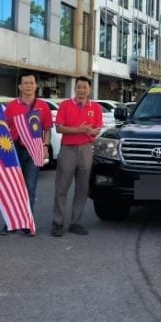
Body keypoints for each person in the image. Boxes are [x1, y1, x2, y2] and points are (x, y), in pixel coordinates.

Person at [3, 71, 53, 235]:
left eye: (32, 83)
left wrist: (45, 146)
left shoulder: (43, 106)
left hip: (35, 149)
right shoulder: (11, 106)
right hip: (15, 150)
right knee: (13, 187)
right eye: (25, 83)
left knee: (30, 187)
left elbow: (47, 129)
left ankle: (27, 222)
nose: (29, 86)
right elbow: (4, 129)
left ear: (36, 86)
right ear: (19, 86)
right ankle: (11, 222)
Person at [52, 76, 102, 237]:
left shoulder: (96, 107)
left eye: (84, 88)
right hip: (68, 149)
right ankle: (57, 222)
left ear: (90, 90)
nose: (81, 91)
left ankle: (76, 222)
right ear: (75, 89)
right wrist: (79, 130)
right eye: (79, 87)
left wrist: (92, 132)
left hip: (86, 149)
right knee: (62, 187)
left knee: (82, 188)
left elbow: (97, 128)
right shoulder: (65, 105)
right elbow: (59, 128)